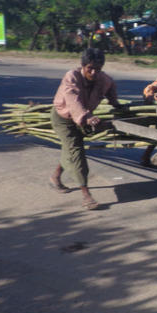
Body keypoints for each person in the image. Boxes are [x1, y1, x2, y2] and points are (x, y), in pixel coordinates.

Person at [50, 48, 123, 210]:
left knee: (70, 149)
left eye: (98, 68)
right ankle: (86, 196)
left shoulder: (103, 79)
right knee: (77, 152)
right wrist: (87, 117)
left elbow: (111, 85)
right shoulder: (72, 77)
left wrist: (115, 102)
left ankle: (55, 177)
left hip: (83, 118)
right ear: (83, 66)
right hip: (63, 118)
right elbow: (72, 99)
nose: (94, 72)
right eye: (90, 68)